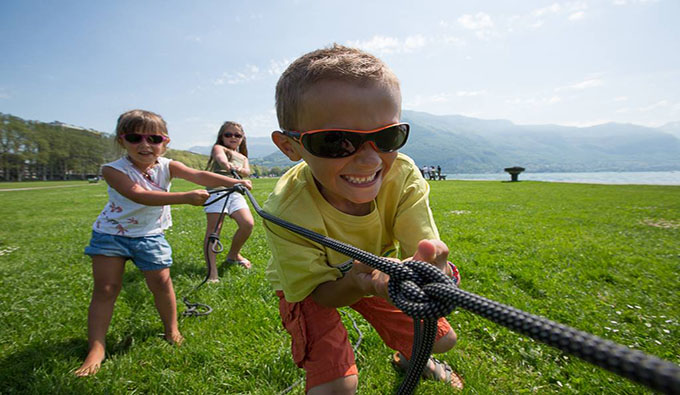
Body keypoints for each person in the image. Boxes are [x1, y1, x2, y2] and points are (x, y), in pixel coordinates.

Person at [264, 44, 463, 393]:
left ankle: (409, 356)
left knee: (442, 340)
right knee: (337, 388)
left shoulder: (401, 176)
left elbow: (422, 252)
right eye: (336, 142)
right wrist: (357, 282)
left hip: (376, 273)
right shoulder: (284, 211)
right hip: (313, 287)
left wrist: (434, 273)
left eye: (387, 137)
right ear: (290, 147)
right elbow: (323, 294)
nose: (370, 161)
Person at [75, 109, 252, 377]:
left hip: (150, 235)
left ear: (165, 142)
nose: (145, 145)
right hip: (111, 236)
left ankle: (172, 330)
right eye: (135, 138)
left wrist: (235, 182)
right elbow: (139, 195)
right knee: (106, 289)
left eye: (154, 138)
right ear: (122, 141)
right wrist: (185, 197)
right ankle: (96, 349)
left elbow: (200, 175)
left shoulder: (168, 165)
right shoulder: (112, 170)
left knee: (161, 283)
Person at [203, 121, 255, 279]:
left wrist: (240, 170)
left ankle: (233, 255)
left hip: (235, 192)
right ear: (222, 137)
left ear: (242, 138)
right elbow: (220, 159)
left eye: (237, 135)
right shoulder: (220, 148)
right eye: (228, 134)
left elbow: (247, 171)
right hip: (218, 192)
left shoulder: (243, 156)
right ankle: (212, 273)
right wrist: (227, 165)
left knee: (247, 224)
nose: (233, 137)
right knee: (214, 231)